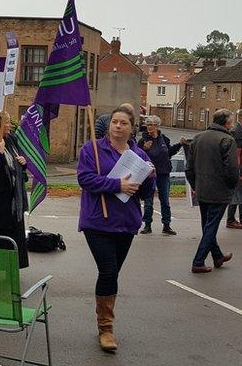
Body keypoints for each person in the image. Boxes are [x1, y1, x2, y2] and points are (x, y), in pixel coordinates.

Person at [77, 104, 155, 353]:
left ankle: (105, 318)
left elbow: (144, 194)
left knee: (113, 274)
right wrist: (116, 184)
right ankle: (106, 328)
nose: (118, 126)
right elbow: (85, 179)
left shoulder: (140, 156)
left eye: (123, 123)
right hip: (97, 221)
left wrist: (149, 178)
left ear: (132, 129)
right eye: (114, 122)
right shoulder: (93, 149)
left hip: (126, 222)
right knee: (108, 271)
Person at [187, 109, 241, 274]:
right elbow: (231, 168)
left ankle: (217, 256)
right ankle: (198, 261)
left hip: (202, 187)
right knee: (211, 226)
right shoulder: (227, 140)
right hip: (219, 189)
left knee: (207, 224)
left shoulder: (198, 138)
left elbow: (189, 167)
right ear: (226, 123)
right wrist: (232, 185)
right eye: (231, 121)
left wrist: (194, 185)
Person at [0, 111, 29, 268]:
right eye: (8, 122)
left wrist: (23, 163)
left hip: (13, 199)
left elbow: (16, 164)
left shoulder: (11, 139)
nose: (11, 125)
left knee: (14, 235)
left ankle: (12, 267)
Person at [138, 115, 183, 236]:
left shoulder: (164, 139)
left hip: (163, 173)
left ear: (157, 126)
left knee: (165, 200)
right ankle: (147, 225)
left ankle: (166, 225)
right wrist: (144, 149)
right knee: (148, 201)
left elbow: (169, 153)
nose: (149, 127)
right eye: (148, 124)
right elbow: (137, 155)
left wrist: (179, 144)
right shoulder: (143, 141)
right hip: (149, 175)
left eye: (152, 124)